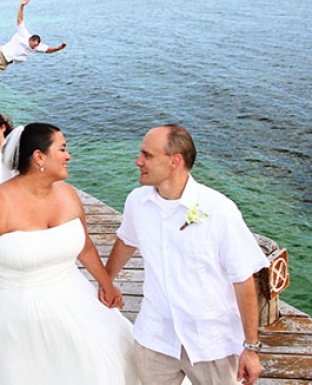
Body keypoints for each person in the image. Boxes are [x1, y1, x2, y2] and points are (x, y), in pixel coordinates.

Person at [0, 123, 139, 384]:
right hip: (13, 313)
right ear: (39, 157)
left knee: (107, 364)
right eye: (62, 149)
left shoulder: (69, 195)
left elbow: (85, 247)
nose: (68, 156)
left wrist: (107, 285)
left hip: (72, 297)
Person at [104, 124, 268, 385]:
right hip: (155, 336)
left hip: (212, 343)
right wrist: (106, 282)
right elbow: (126, 241)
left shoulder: (220, 210)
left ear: (174, 161)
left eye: (147, 155)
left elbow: (243, 279)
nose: (138, 161)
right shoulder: (137, 201)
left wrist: (251, 347)